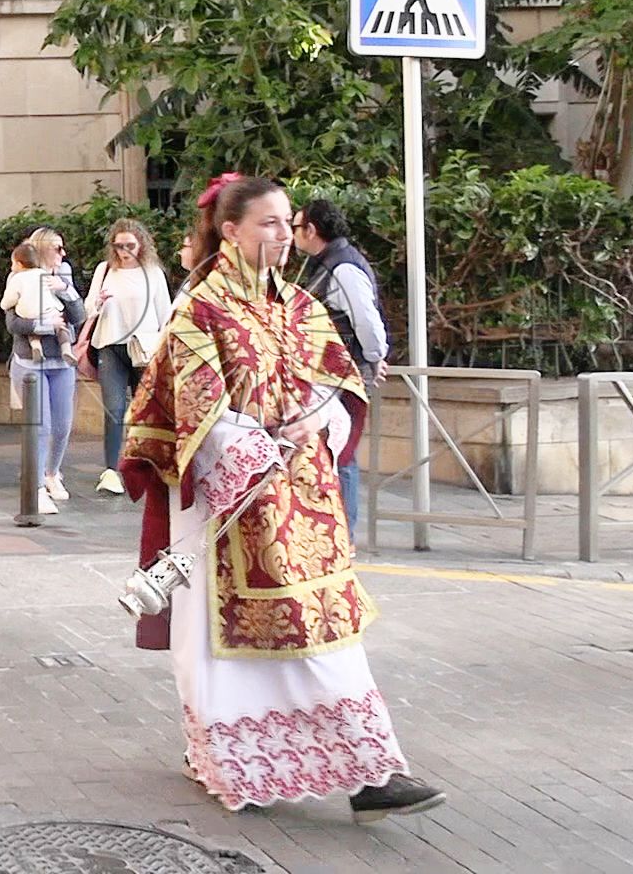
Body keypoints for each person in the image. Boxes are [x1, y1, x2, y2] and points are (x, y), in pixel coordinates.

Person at [120, 173, 444, 824]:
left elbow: (337, 385)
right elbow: (188, 408)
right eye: (267, 223)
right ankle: (234, 756)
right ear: (231, 231)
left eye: (287, 222)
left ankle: (369, 770)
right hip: (228, 506)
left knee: (327, 632)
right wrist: (255, 444)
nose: (282, 235)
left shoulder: (302, 307)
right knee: (226, 642)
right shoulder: (200, 310)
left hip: (306, 504)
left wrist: (317, 422)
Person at [294, 199, 390, 533]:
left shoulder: (342, 267)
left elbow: (366, 319)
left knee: (341, 447)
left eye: (295, 227)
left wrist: (375, 357)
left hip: (341, 372)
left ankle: (344, 531)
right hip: (329, 369)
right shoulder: (327, 262)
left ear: (311, 230)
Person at [83, 220, 172, 496]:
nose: (124, 252)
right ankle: (111, 470)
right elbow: (89, 308)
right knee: (113, 408)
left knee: (144, 411)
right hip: (111, 345)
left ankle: (145, 467)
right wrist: (98, 301)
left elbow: (165, 314)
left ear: (141, 244)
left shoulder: (153, 272)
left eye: (130, 246)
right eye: (119, 246)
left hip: (143, 350)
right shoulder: (105, 270)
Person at [3, 229, 84, 523]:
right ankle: (34, 487)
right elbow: (12, 323)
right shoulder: (20, 277)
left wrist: (66, 290)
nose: (62, 254)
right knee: (40, 426)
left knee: (62, 424)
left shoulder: (63, 275)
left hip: (61, 361)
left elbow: (79, 315)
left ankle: (52, 473)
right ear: (40, 250)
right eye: (57, 248)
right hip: (30, 361)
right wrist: (41, 323)